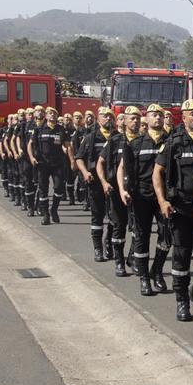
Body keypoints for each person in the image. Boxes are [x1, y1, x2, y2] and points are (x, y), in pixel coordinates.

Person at [153, 99, 193, 321]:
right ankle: (182, 301)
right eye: (192, 114)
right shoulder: (174, 143)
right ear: (184, 117)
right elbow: (157, 173)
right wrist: (162, 201)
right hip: (182, 209)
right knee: (181, 257)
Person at [118, 104, 170, 296]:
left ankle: (157, 270)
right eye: (153, 115)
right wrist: (124, 190)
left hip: (164, 197)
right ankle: (144, 279)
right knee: (142, 237)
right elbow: (123, 169)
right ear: (146, 119)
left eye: (160, 115)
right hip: (142, 196)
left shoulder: (171, 142)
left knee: (166, 237)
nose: (157, 118)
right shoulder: (136, 144)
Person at [76, 107, 116, 262]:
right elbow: (79, 157)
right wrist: (85, 172)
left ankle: (109, 242)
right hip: (96, 184)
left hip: (113, 183)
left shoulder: (117, 137)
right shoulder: (91, 137)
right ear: (98, 119)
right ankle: (98, 248)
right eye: (104, 116)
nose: (107, 119)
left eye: (110, 116)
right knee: (97, 216)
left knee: (115, 217)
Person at [97, 110, 131, 277]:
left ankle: (134, 258)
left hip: (135, 192)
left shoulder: (140, 140)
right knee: (119, 226)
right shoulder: (114, 140)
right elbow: (100, 163)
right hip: (117, 191)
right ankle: (119, 261)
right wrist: (104, 182)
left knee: (137, 228)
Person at [29, 107, 75, 225]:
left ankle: (54, 209)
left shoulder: (61, 130)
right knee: (43, 190)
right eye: (50, 113)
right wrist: (32, 158)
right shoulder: (39, 129)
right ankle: (45, 215)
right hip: (42, 164)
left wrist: (72, 160)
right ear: (46, 116)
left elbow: (68, 146)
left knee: (59, 188)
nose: (52, 115)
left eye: (54, 113)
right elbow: (30, 145)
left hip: (57, 164)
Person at [16, 107, 38, 216]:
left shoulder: (37, 125)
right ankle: (29, 205)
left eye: (32, 114)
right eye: (28, 114)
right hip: (26, 157)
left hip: (37, 157)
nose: (30, 116)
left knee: (37, 182)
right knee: (27, 181)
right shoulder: (23, 126)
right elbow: (18, 138)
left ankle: (37, 204)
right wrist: (19, 149)